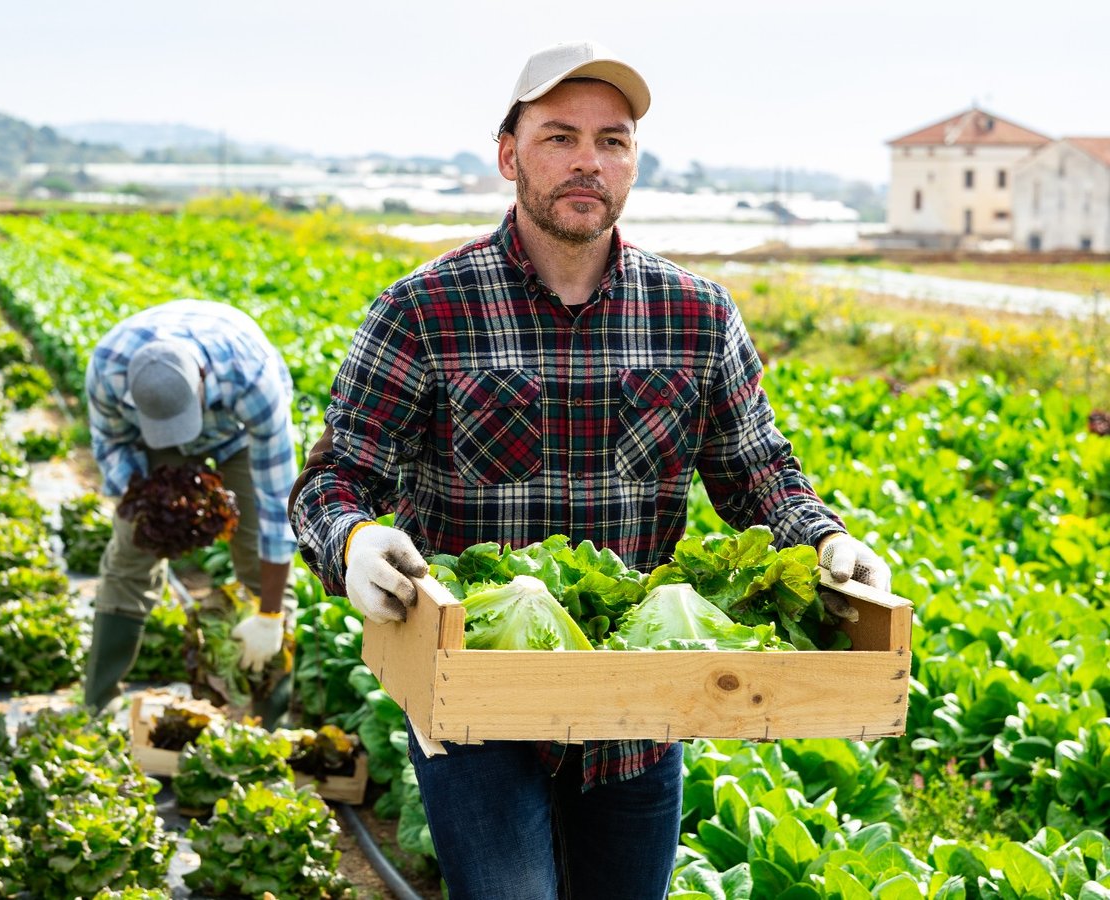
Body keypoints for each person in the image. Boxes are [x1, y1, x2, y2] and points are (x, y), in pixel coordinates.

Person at [289, 41, 892, 900]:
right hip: (477, 710)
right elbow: (335, 477)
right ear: (508, 155)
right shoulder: (424, 309)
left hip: (639, 713)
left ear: (634, 162)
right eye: (559, 137)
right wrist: (351, 543)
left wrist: (827, 540)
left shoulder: (695, 313)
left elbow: (756, 472)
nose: (588, 162)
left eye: (613, 140)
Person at [83, 299, 298, 725]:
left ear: (201, 382)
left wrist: (270, 613)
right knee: (131, 552)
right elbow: (112, 450)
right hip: (154, 429)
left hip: (235, 434)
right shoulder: (107, 371)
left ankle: (269, 722)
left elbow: (277, 503)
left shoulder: (252, 378)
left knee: (258, 559)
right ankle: (96, 702)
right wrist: (152, 510)